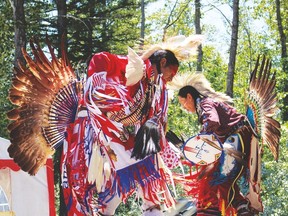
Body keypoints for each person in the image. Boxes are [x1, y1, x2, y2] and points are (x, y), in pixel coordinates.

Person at [59, 36, 203, 215]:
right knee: (88, 189)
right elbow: (99, 60)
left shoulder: (152, 87)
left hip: (113, 137)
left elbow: (150, 126)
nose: (171, 78)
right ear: (162, 62)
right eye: (171, 72)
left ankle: (151, 209)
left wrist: (162, 147)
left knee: (146, 167)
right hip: (91, 131)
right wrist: (109, 93)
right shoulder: (132, 69)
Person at [167, 68, 280, 215]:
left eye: (183, 103)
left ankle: (215, 210)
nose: (185, 108)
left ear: (189, 97)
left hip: (237, 138)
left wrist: (200, 139)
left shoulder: (205, 103)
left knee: (215, 179)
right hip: (239, 140)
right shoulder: (207, 104)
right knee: (222, 181)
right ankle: (241, 207)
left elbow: (213, 121)